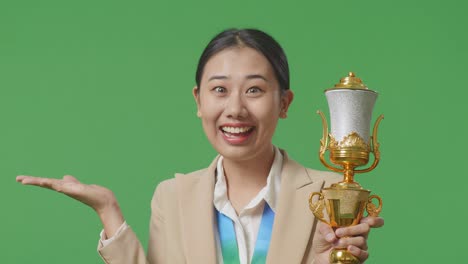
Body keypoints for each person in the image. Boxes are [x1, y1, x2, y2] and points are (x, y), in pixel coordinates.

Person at [16, 28, 384, 264]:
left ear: (284, 103)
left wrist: (331, 259)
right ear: (198, 100)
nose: (235, 108)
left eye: (254, 89)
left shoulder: (330, 195)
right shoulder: (172, 196)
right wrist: (109, 212)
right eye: (219, 90)